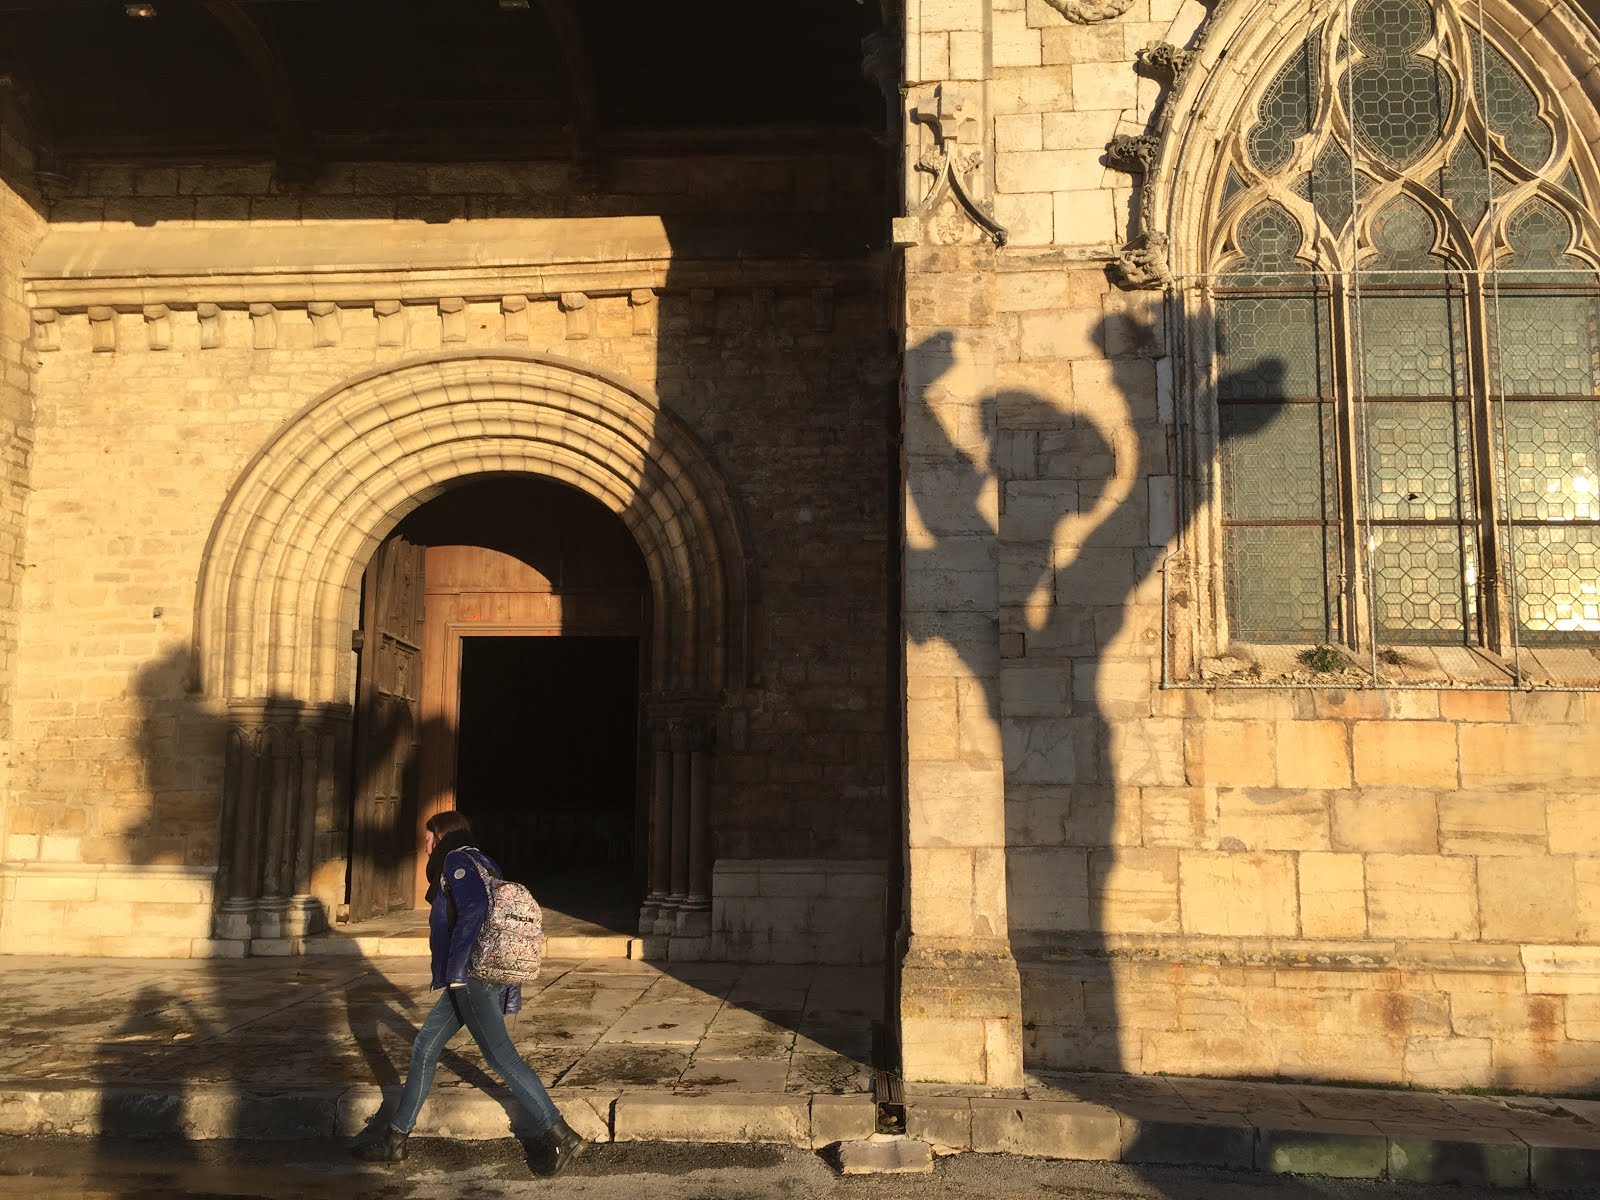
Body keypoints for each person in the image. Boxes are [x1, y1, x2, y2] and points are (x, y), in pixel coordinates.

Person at [354, 810, 584, 1177]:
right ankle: (395, 1140)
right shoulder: (482, 859)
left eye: (429, 837)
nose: (425, 845)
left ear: (441, 835)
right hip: (477, 973)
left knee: (502, 1057)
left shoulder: (456, 859)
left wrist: (457, 969)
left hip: (472, 977)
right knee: (425, 1047)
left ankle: (559, 1133)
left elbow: (475, 909)